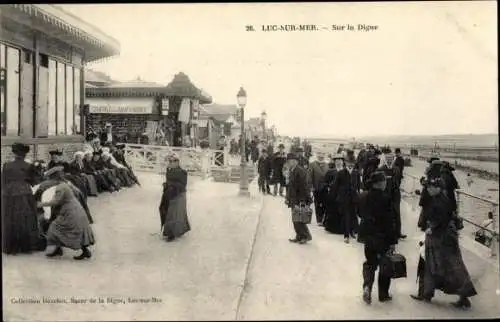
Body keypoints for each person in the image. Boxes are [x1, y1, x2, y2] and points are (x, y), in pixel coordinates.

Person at [412, 177, 477, 308]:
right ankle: (428, 293)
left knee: (443, 265)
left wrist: (433, 228)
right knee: (446, 265)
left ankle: (428, 293)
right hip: (442, 236)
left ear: (438, 188)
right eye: (428, 187)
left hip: (441, 237)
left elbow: (444, 218)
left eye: (431, 187)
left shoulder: (441, 201)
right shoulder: (440, 198)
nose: (428, 189)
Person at [358, 171, 399, 305]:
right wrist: (393, 241)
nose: (386, 183)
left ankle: (367, 287)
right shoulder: (386, 199)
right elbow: (390, 222)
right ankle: (383, 294)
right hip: (382, 238)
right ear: (380, 183)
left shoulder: (363, 196)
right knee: (385, 265)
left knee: (370, 263)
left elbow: (359, 213)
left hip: (368, 237)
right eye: (384, 181)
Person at [39, 166, 95, 260]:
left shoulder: (61, 187)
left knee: (54, 228)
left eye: (51, 178)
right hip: (76, 210)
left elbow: (56, 201)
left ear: (54, 178)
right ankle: (84, 251)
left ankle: (58, 249)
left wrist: (41, 204)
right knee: (76, 230)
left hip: (70, 212)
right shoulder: (65, 184)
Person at [2, 143, 45, 254]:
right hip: (24, 194)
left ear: (14, 153)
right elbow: (35, 181)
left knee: (10, 218)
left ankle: (11, 246)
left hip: (8, 194)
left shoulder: (6, 165)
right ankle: (25, 246)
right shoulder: (28, 166)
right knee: (25, 219)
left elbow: (3, 181)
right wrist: (38, 170)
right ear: (25, 154)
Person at [158, 153, 190, 242]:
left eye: (174, 161)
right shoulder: (169, 170)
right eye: (170, 161)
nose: (172, 162)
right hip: (169, 193)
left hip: (179, 195)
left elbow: (183, 185)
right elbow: (169, 181)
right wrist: (166, 185)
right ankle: (173, 231)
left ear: (178, 162)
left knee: (175, 214)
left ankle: (171, 234)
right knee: (166, 211)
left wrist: (170, 184)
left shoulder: (182, 172)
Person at [378, 152, 406, 239]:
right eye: (388, 159)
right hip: (385, 194)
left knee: (397, 214)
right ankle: (384, 232)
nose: (389, 160)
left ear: (393, 159)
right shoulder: (381, 169)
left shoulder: (397, 169)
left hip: (395, 195)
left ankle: (398, 232)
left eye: (391, 158)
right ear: (385, 159)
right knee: (385, 214)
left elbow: (398, 181)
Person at [286, 153, 312, 244]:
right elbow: (291, 186)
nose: (288, 163)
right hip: (293, 199)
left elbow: (303, 188)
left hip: (298, 199)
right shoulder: (293, 170)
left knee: (299, 219)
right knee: (295, 219)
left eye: (290, 161)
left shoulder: (299, 171)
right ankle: (299, 236)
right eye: (288, 161)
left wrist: (301, 201)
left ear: (295, 161)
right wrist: (288, 198)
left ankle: (305, 236)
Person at [323, 155, 346, 234]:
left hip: (343, 195)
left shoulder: (346, 171)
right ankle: (332, 228)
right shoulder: (331, 171)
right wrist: (329, 186)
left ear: (343, 162)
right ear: (335, 162)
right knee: (333, 211)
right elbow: (325, 182)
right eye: (337, 160)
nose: (339, 162)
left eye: (340, 160)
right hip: (333, 195)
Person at [309, 151, 329, 225]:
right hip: (316, 187)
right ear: (317, 156)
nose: (321, 156)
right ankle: (319, 220)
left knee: (325, 203)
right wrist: (311, 186)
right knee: (317, 203)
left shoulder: (327, 165)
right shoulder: (312, 164)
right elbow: (309, 176)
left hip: (325, 188)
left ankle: (323, 218)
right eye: (319, 154)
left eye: (323, 155)